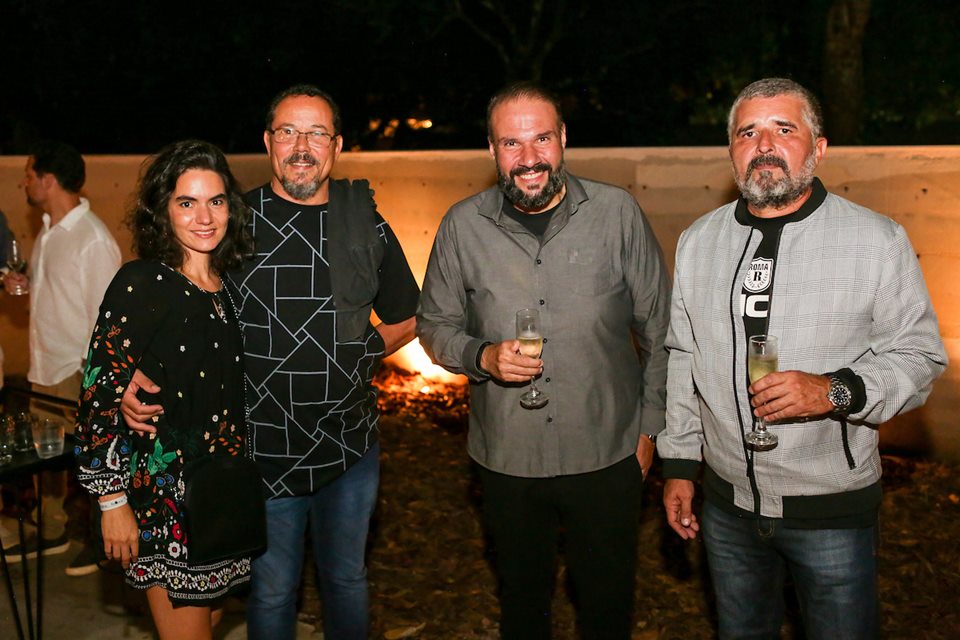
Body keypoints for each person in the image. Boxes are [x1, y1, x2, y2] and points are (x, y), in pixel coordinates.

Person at [121, 86, 420, 640]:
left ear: (337, 145)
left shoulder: (364, 223)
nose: (301, 146)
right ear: (267, 142)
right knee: (273, 590)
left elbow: (406, 316)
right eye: (288, 132)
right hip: (261, 452)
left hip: (349, 447)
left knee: (347, 581)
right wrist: (144, 365)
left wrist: (354, 353)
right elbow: (183, 304)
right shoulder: (231, 222)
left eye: (316, 134)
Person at [657, 77, 948, 639]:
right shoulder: (699, 241)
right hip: (726, 504)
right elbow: (681, 358)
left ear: (817, 148)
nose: (764, 144)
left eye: (783, 129)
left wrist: (834, 390)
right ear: (732, 152)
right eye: (748, 132)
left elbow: (919, 356)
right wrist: (678, 466)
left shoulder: (874, 240)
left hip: (830, 511)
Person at [417, 82, 670, 639]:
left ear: (563, 140)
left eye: (542, 140)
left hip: (607, 451)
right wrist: (480, 355)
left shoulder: (616, 213)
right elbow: (434, 326)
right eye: (512, 144)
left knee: (607, 607)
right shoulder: (462, 226)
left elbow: (660, 328)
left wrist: (651, 429)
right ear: (492, 150)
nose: (528, 159)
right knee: (522, 605)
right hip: (508, 457)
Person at [74, 140, 255, 639]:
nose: (204, 216)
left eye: (215, 201)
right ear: (163, 210)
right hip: (164, 505)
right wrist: (112, 505)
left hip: (220, 498)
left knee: (211, 620)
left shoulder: (226, 284)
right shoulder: (142, 283)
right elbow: (97, 396)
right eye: (186, 202)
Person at [2, 140, 121, 576]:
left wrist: (98, 379)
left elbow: (108, 320)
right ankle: (54, 529)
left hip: (76, 368)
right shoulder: (50, 231)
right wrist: (24, 284)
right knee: (46, 456)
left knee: (92, 460)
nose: (24, 182)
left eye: (30, 175)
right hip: (45, 365)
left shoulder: (92, 239)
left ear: (48, 180)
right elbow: (57, 293)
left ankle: (102, 541)